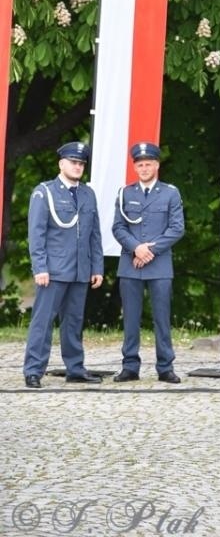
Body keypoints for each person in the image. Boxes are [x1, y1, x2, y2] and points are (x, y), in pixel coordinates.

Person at [23, 141, 104, 387]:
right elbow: (36, 233)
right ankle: (34, 370)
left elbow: (94, 234)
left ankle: (75, 368)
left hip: (80, 269)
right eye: (73, 162)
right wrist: (40, 267)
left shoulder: (88, 194)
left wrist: (97, 267)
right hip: (54, 270)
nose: (78, 167)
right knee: (43, 321)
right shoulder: (44, 192)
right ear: (61, 164)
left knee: (74, 322)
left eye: (81, 163)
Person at [111, 142, 185, 384]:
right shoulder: (125, 193)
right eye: (140, 164)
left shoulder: (170, 193)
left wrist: (149, 250)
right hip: (130, 263)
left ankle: (165, 366)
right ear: (134, 167)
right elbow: (118, 227)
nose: (144, 168)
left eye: (148, 164)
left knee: (162, 318)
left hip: (159, 264)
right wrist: (136, 248)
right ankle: (130, 366)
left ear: (156, 165)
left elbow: (177, 228)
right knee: (130, 318)